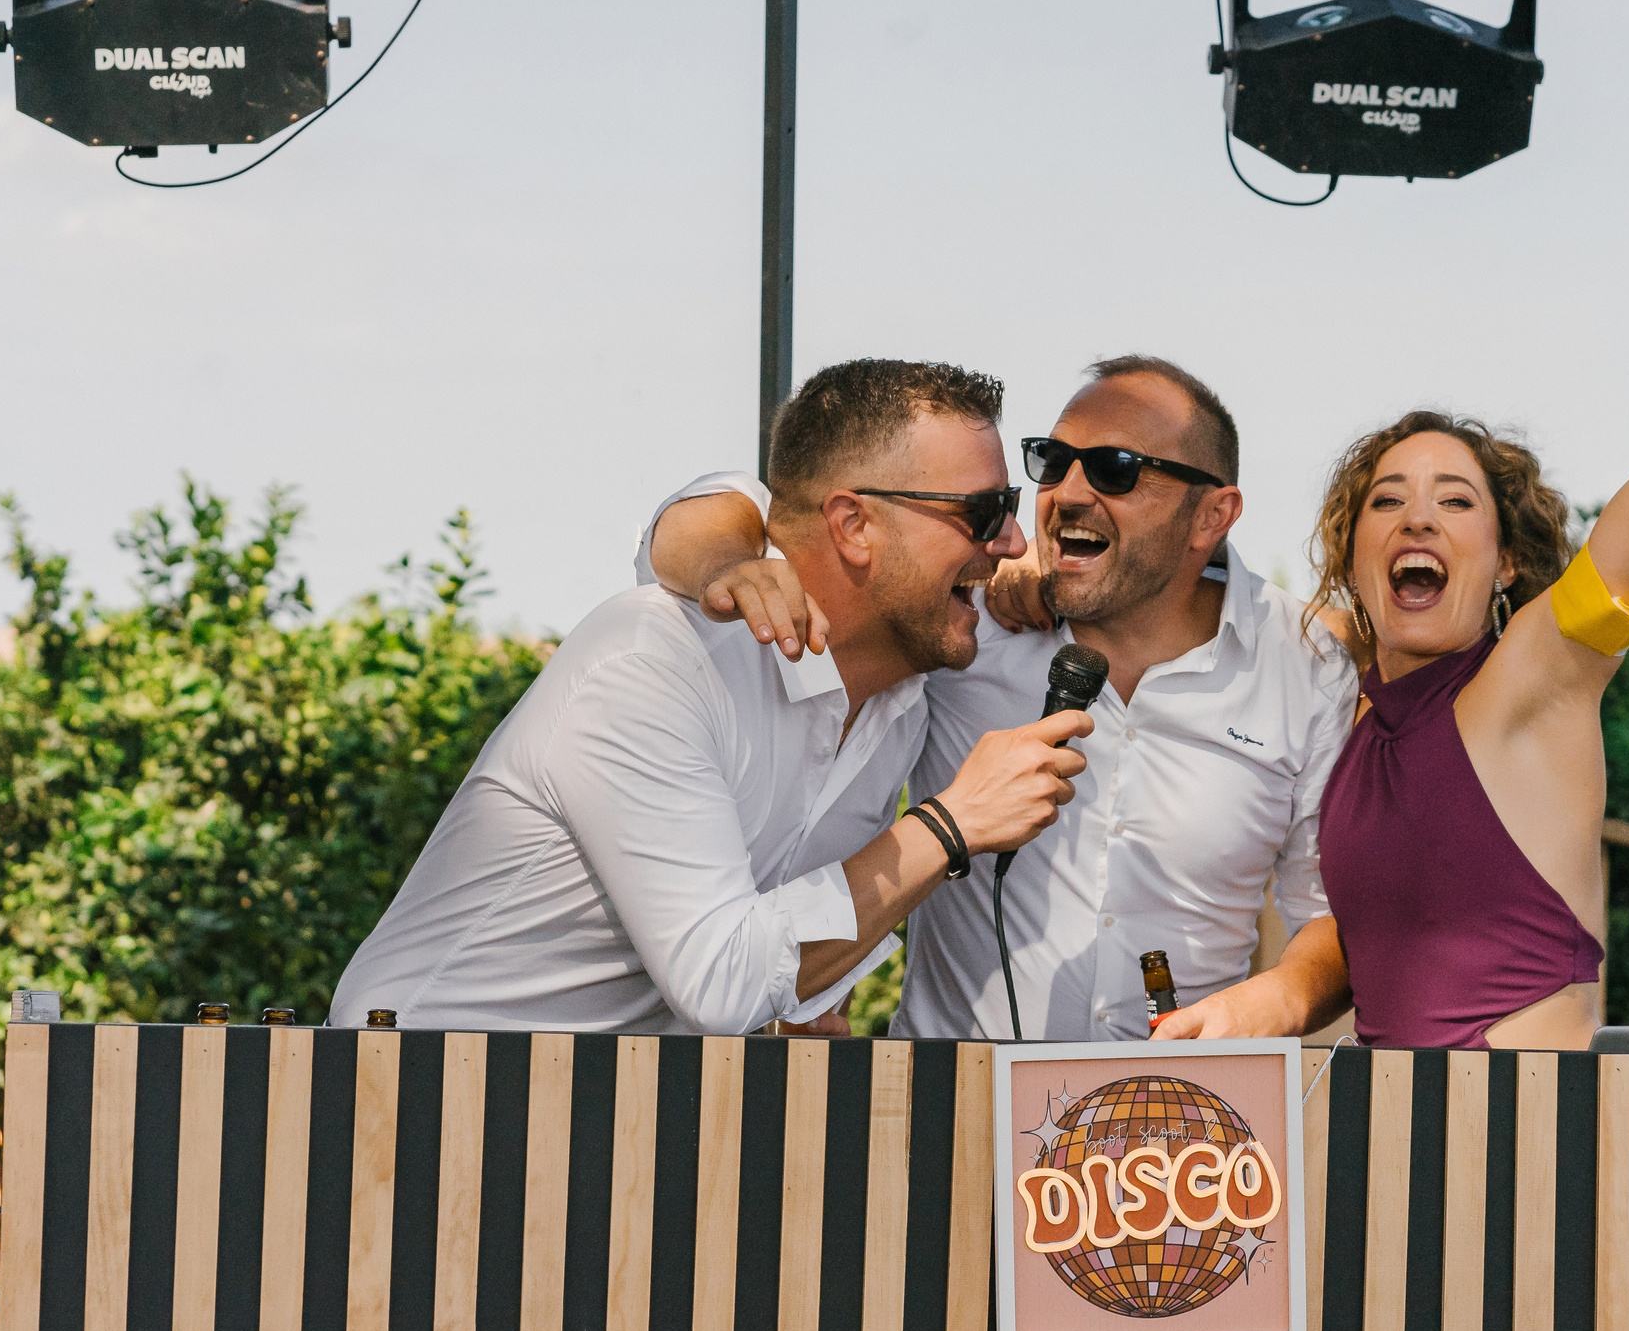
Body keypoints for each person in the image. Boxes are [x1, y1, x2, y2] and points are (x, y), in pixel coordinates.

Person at [328, 359, 1092, 1035]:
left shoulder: (901, 710)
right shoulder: (654, 660)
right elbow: (722, 980)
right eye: (984, 513)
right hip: (414, 1096)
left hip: (617, 1118)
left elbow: (766, 967)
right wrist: (950, 824)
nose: (1013, 541)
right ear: (854, 524)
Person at [644, 356, 1359, 1043]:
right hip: (951, 1112)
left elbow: (1331, 911)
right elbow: (754, 513)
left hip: (1173, 1125)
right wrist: (730, 561)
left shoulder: (1306, 663)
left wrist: (1282, 998)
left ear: (1214, 515)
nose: (1069, 494)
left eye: (1115, 470)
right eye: (1052, 462)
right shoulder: (962, 620)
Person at [1309, 104, 1629, 1051]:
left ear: (1508, 563)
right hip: (1386, 1157)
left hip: (1531, 1153)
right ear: (1354, 552)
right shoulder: (1347, 708)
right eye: (1388, 500)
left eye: (1456, 501)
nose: (1418, 516)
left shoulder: (1538, 671)